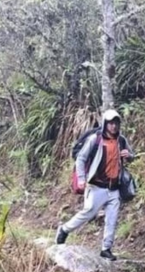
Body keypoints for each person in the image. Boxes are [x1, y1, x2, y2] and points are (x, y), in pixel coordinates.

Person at [55, 109, 135, 260]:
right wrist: (81, 178)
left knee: (112, 218)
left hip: (114, 187)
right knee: (88, 212)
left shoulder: (121, 140)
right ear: (105, 123)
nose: (114, 126)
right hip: (96, 185)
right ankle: (64, 229)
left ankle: (106, 248)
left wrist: (129, 156)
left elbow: (131, 156)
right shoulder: (95, 139)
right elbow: (81, 158)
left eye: (116, 122)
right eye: (111, 122)